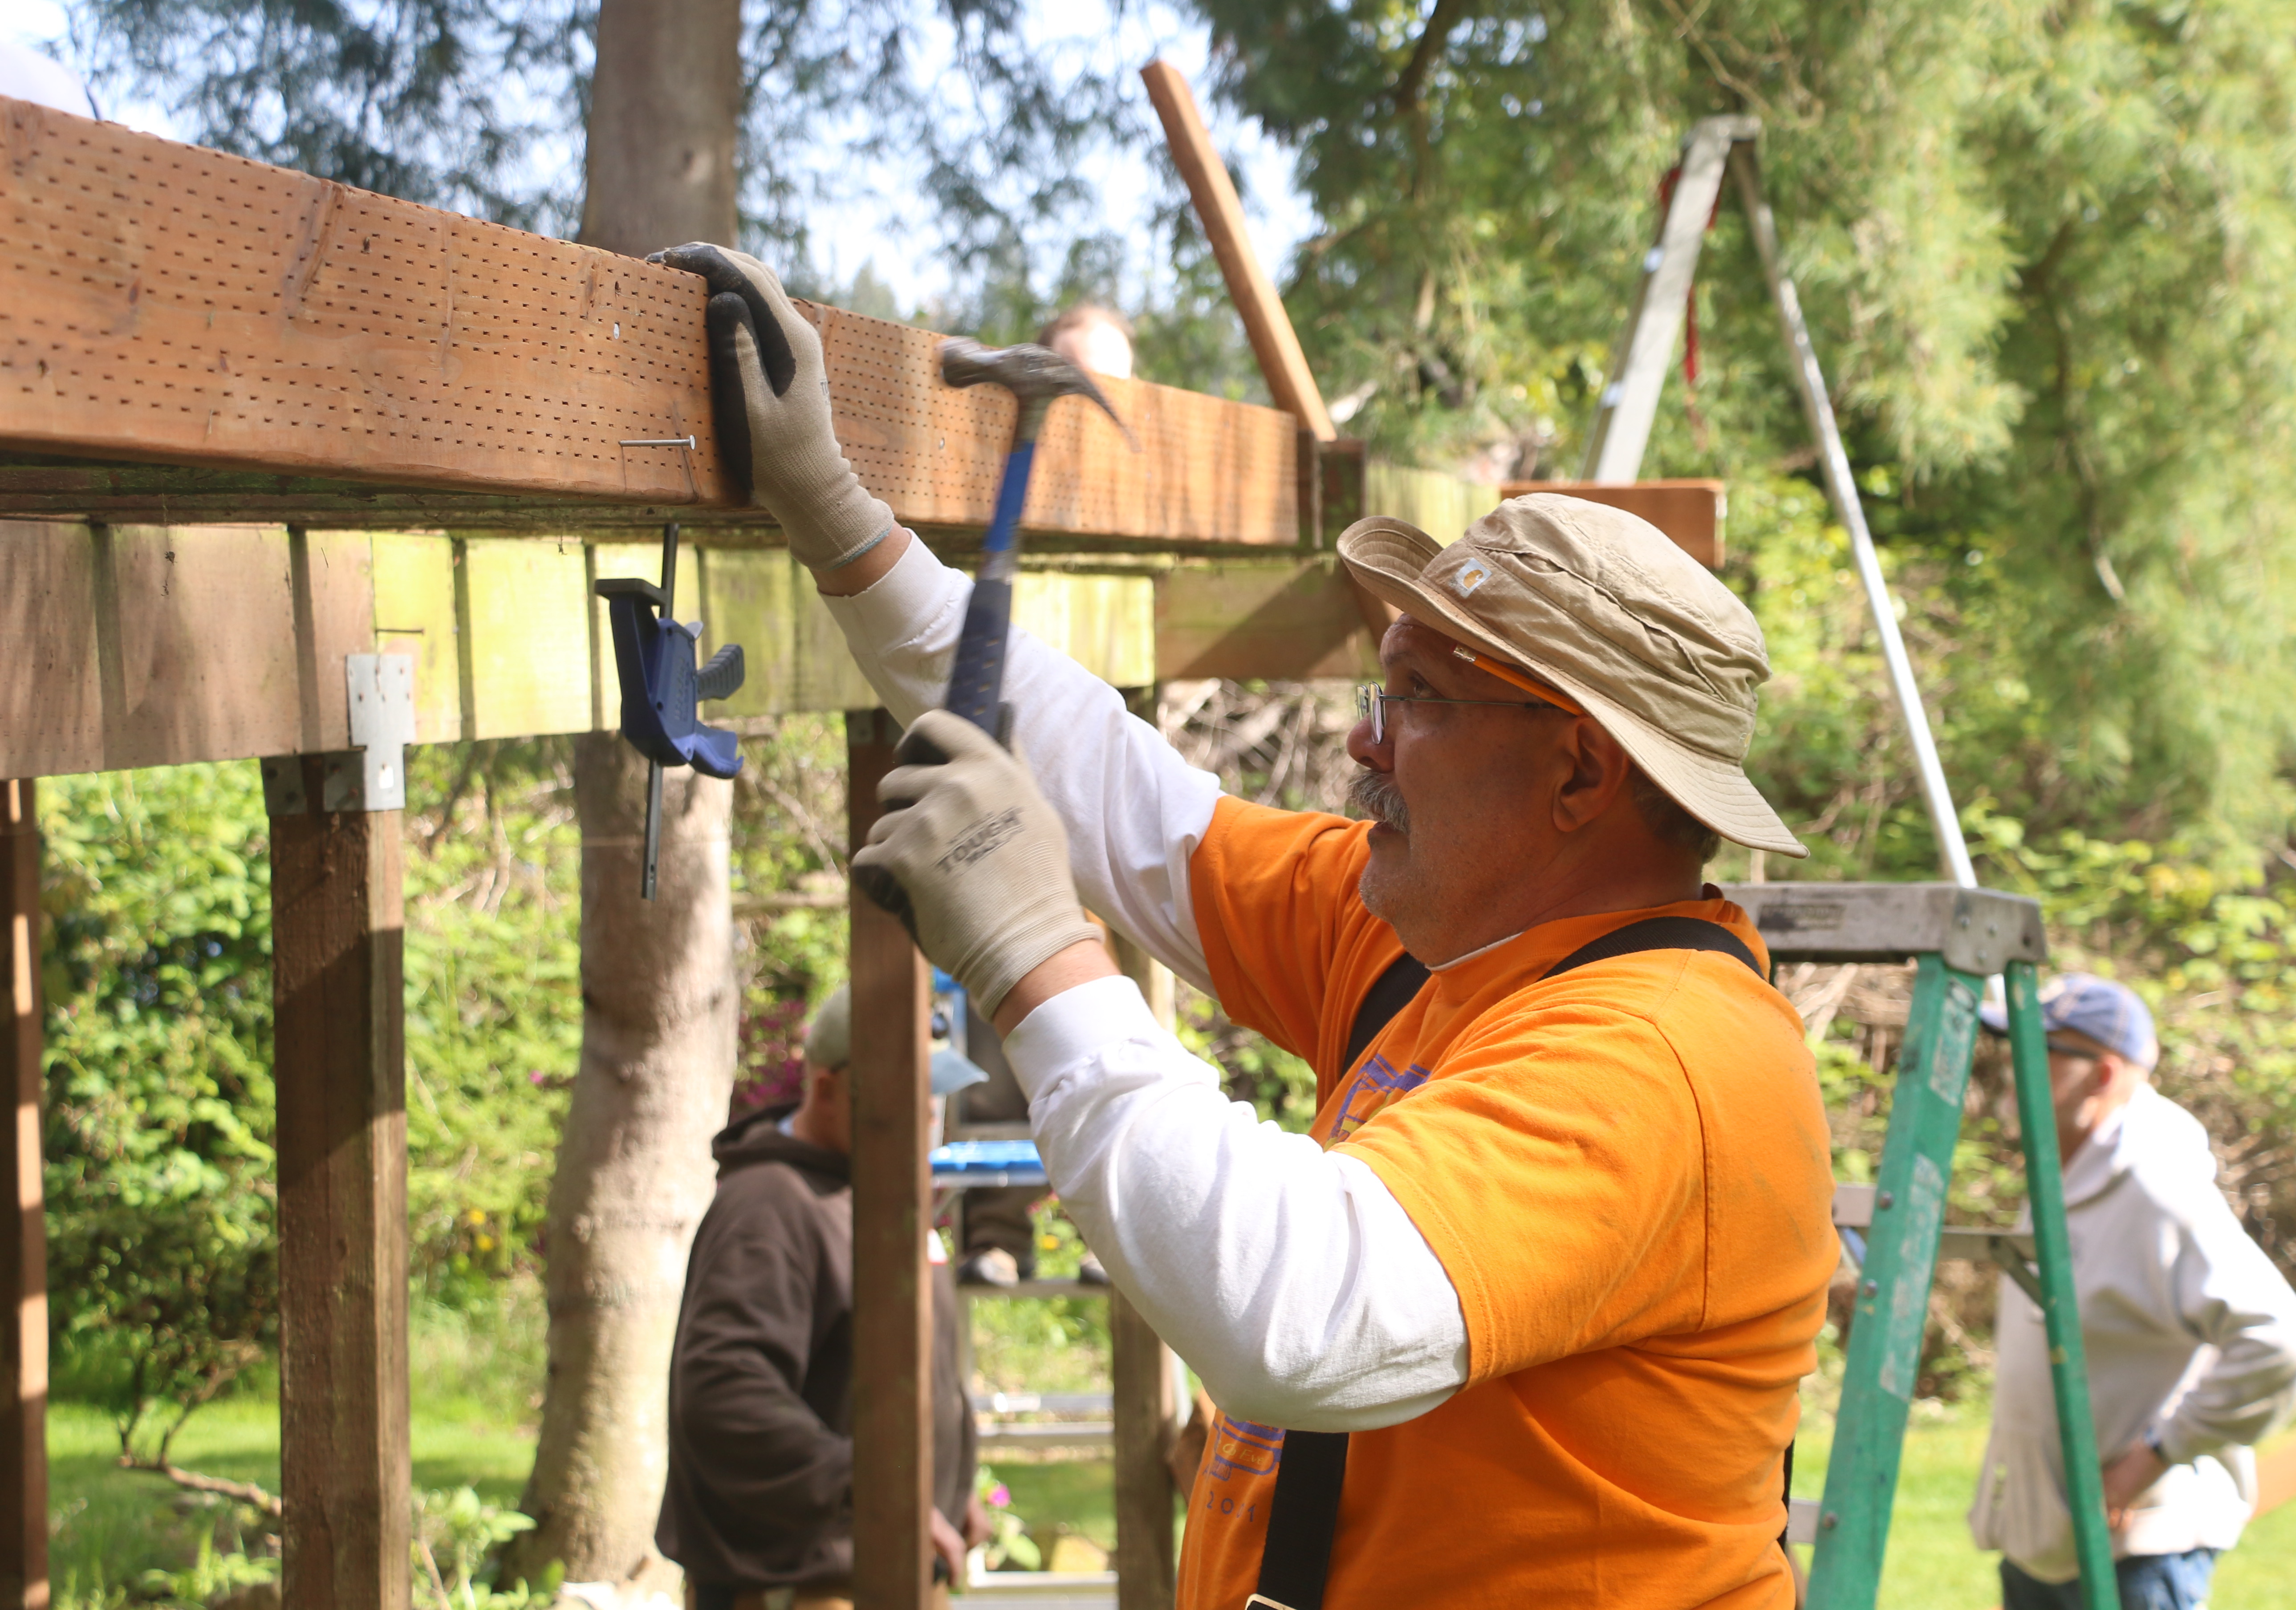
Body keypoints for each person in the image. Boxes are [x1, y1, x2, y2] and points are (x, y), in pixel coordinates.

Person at [653, 241, 1838, 1609]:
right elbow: (1125, 800)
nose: (1361, 737)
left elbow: (1304, 1318)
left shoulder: (1672, 1062)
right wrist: (841, 518)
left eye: (1418, 699)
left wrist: (1040, 955)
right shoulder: (1429, 941)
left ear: (1578, 771)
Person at [1973, 974, 2296, 1610]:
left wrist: (2150, 1461)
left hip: (2134, 1552)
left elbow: (2281, 1341)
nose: (2012, 1069)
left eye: (2038, 1050)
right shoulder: (2068, 1170)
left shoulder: (2156, 1187)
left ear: (2102, 1075)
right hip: (2051, 1540)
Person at [657, 989, 988, 1610]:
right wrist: (880, 1490)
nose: (927, 1112)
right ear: (829, 1090)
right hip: (801, 1585)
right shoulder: (770, 1207)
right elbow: (726, 1398)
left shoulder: (875, 1191)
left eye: (933, 1091)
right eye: (906, 1091)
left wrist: (948, 1483)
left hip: (886, 1562)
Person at [953, 301, 1132, 1291]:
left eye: (1111, 382)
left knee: (1127, 1013)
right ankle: (1000, 1235)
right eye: (1078, 377)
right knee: (1002, 1018)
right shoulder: (998, 484)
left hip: (1111, 795)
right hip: (1015, 753)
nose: (1095, 403)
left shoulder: (1148, 482)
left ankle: (1119, 1240)